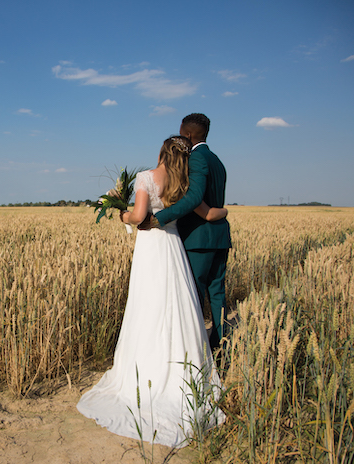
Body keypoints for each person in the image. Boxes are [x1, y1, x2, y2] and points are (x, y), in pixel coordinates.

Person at [76, 136, 226, 448]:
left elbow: (140, 217)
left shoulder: (146, 177)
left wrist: (120, 213)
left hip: (151, 248)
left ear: (160, 153)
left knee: (148, 306)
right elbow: (208, 213)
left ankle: (145, 372)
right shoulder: (184, 184)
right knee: (176, 305)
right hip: (173, 250)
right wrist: (223, 212)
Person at [151, 114, 232, 352]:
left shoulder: (196, 159)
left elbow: (195, 197)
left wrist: (160, 218)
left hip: (199, 239)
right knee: (218, 294)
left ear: (187, 134)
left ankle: (195, 352)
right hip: (219, 236)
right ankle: (221, 346)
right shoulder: (216, 160)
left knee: (193, 296)